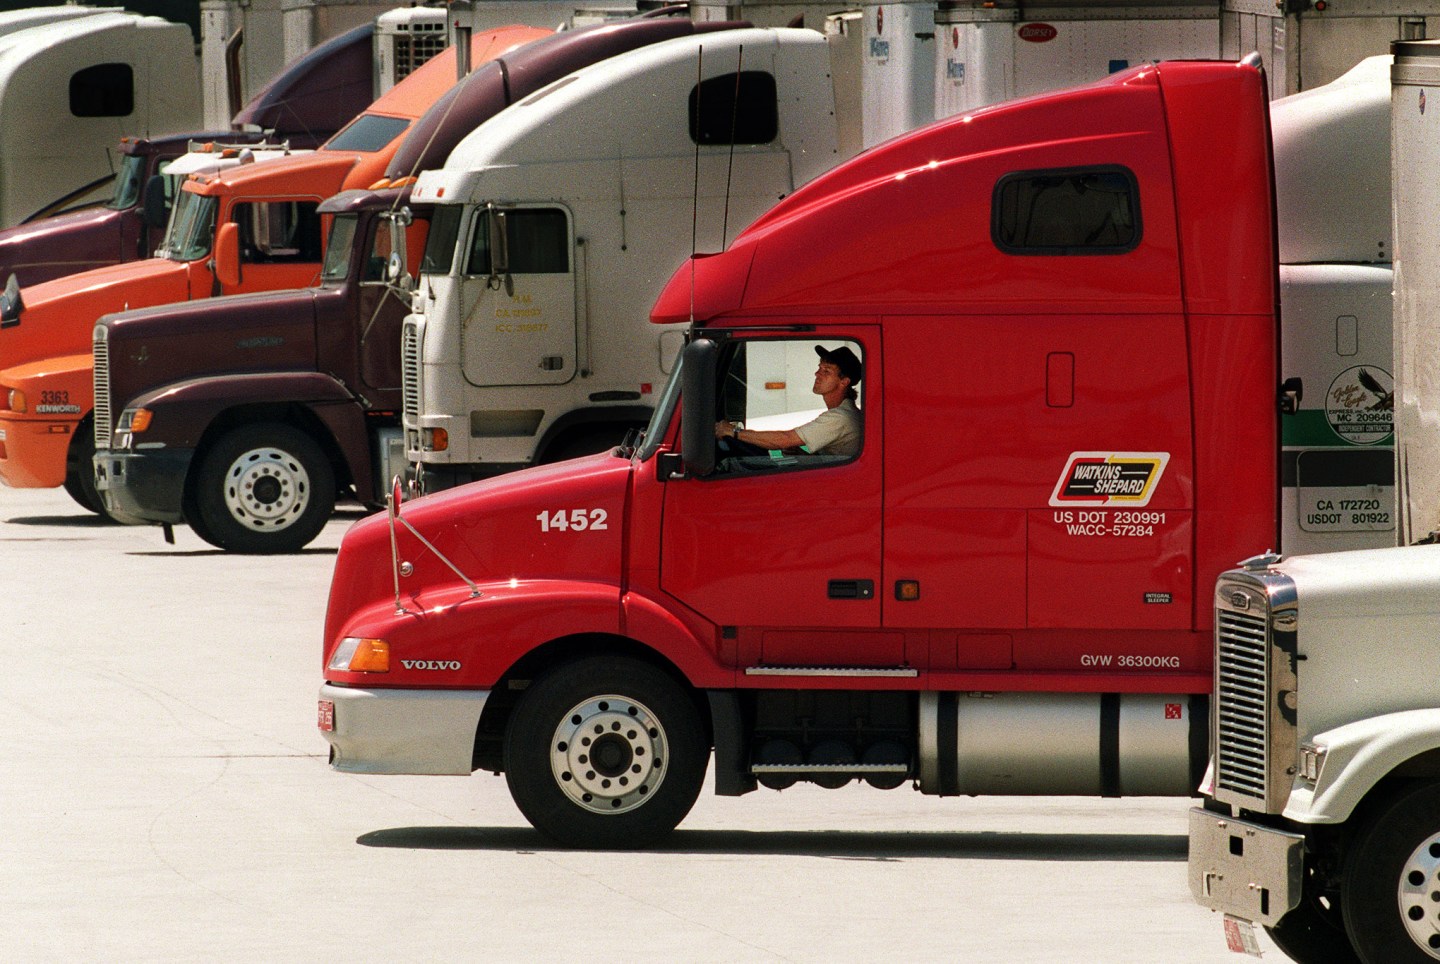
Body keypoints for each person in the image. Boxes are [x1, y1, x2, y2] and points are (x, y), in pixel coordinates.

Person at [715, 345, 863, 458]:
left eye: (826, 371)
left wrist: (733, 431)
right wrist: (804, 456)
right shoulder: (843, 413)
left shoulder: (840, 417)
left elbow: (784, 439)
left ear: (844, 381)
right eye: (819, 368)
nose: (817, 374)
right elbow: (835, 460)